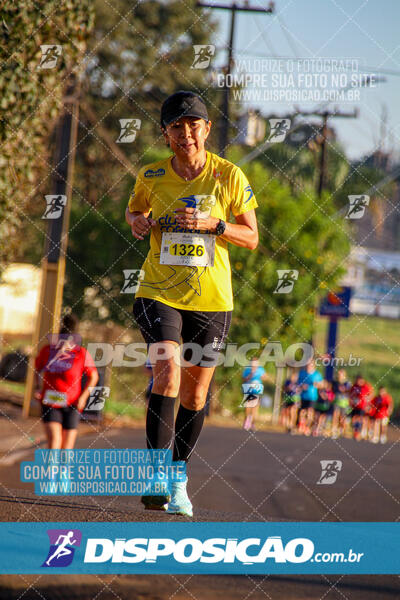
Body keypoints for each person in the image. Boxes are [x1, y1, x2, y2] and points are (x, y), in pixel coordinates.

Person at [125, 90, 258, 516]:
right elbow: (133, 215)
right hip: (159, 290)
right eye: (176, 127)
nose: (186, 135)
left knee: (196, 394)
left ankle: (178, 476)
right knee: (168, 375)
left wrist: (214, 225)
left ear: (206, 129)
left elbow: (251, 237)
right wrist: (139, 223)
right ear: (165, 134)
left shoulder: (228, 176)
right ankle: (154, 476)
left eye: (193, 125)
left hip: (212, 298)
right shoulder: (151, 175)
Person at [34, 314, 99, 450]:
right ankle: (51, 471)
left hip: (73, 403)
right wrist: (37, 388)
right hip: (51, 401)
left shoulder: (81, 353)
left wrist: (83, 397)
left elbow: (94, 376)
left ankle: (64, 471)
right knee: (54, 440)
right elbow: (37, 369)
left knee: (67, 447)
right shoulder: (48, 351)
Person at [297, 359, 323, 436]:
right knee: (302, 412)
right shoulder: (302, 373)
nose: (308, 366)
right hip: (303, 396)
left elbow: (322, 385)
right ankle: (302, 425)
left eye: (310, 364)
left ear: (313, 365)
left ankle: (307, 427)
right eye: (307, 364)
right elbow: (298, 383)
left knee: (310, 412)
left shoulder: (317, 374)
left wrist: (317, 384)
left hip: (312, 397)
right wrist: (302, 386)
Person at [242, 357, 268, 431]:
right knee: (248, 406)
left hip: (257, 390)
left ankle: (252, 423)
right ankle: (246, 421)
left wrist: (262, 377)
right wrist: (250, 375)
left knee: (255, 408)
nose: (254, 365)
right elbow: (243, 379)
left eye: (255, 363)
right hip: (248, 389)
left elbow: (265, 377)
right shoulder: (247, 370)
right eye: (252, 363)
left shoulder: (260, 369)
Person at [349, 374, 374, 440]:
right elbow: (350, 394)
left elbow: (371, 394)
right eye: (357, 380)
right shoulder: (354, 386)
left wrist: (368, 401)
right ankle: (355, 432)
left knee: (361, 419)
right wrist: (351, 400)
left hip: (362, 406)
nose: (358, 382)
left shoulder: (366, 386)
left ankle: (361, 432)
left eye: (359, 380)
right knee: (354, 418)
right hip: (355, 406)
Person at [331, 369, 351, 439]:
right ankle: (334, 430)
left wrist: (345, 390)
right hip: (336, 402)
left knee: (342, 418)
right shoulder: (335, 383)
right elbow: (332, 390)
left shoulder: (347, 383)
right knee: (335, 415)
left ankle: (342, 431)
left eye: (341, 374)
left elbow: (350, 392)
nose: (340, 376)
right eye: (339, 374)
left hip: (344, 403)